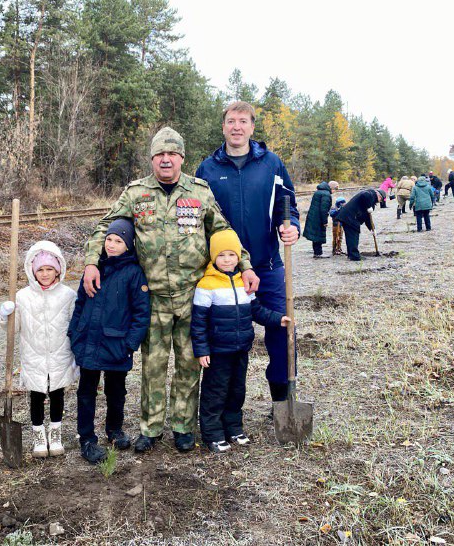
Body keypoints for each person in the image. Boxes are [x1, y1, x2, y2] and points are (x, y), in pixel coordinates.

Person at [82, 127, 257, 454]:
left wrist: (245, 265)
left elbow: (223, 232)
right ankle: (150, 428)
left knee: (190, 365)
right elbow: (106, 226)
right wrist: (93, 261)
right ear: (152, 159)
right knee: (153, 366)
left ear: (181, 158)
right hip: (153, 299)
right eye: (159, 155)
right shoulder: (135, 193)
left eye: (172, 154)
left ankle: (182, 427)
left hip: (192, 297)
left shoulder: (200, 192)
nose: (165, 160)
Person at [195, 101, 300, 407]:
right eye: (231, 121)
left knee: (282, 331)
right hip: (223, 272)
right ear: (223, 126)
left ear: (252, 127)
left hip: (267, 266)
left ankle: (283, 402)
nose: (237, 126)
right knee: (221, 339)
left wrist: (291, 225)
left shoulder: (271, 163)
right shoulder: (208, 168)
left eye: (243, 121)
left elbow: (288, 203)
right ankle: (221, 409)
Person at [191, 230, 289, 453]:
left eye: (232, 255)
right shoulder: (206, 285)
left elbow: (256, 310)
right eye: (222, 255)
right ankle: (213, 434)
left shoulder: (244, 282)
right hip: (218, 351)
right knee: (215, 392)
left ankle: (234, 428)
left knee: (237, 391)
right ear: (213, 257)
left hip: (241, 348)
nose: (227, 260)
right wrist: (202, 350)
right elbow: (198, 323)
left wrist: (277, 319)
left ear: (239, 257)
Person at [68, 219, 151, 464]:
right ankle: (86, 438)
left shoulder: (134, 273)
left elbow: (141, 313)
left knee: (116, 391)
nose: (112, 245)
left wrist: (129, 344)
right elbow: (80, 303)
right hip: (89, 342)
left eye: (119, 241)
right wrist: (75, 332)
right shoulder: (93, 269)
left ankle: (114, 430)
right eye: (109, 240)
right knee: (86, 392)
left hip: (116, 345)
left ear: (128, 246)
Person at [0, 240, 77, 458]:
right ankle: (39, 437)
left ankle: (55, 434)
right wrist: (6, 315)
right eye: (40, 269)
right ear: (32, 270)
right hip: (33, 354)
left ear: (58, 269)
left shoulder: (68, 295)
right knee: (36, 395)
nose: (44, 273)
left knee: (57, 393)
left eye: (49, 269)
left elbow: (75, 325)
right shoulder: (22, 297)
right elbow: (13, 329)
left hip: (60, 353)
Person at [334, 188, 385, 261]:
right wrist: (368, 206)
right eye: (381, 200)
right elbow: (364, 194)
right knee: (353, 236)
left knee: (352, 236)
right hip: (350, 216)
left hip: (351, 217)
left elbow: (367, 217)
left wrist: (372, 229)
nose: (380, 201)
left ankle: (351, 255)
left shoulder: (371, 201)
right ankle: (354, 256)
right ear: (379, 196)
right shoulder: (370, 194)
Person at [303, 180, 337, 258]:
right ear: (332, 188)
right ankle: (318, 253)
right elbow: (324, 209)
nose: (335, 191)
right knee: (318, 235)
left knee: (315, 235)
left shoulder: (319, 191)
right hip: (318, 218)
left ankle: (317, 251)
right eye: (336, 189)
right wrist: (324, 221)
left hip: (314, 216)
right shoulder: (326, 194)